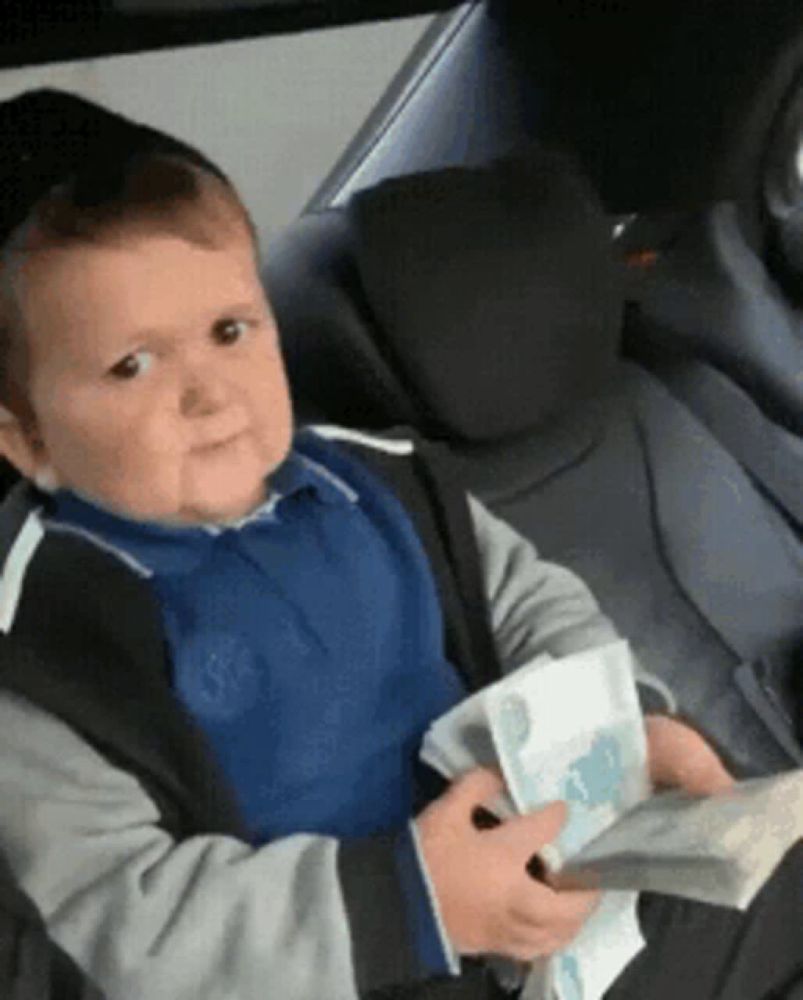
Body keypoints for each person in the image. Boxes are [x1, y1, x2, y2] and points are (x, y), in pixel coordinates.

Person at [0, 87, 797, 1000]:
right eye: (132, 364)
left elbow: (528, 598)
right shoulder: (45, 648)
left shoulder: (374, 479)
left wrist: (624, 730)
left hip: (555, 894)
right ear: (28, 438)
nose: (208, 393)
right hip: (353, 965)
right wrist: (419, 901)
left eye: (229, 331)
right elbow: (126, 923)